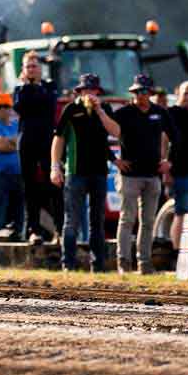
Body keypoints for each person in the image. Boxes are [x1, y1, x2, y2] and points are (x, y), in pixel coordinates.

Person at [52, 73, 120, 271]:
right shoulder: (71, 109)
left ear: (98, 91)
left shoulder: (105, 108)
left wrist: (100, 111)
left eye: (92, 90)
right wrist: (55, 167)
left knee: (96, 220)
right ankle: (68, 265)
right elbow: (58, 139)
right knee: (71, 219)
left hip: (99, 171)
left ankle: (97, 265)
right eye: (85, 90)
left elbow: (116, 132)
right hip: (75, 172)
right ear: (79, 92)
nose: (89, 93)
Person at [111, 74, 176, 274]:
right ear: (133, 93)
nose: (142, 95)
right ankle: (123, 263)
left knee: (148, 222)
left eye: (145, 91)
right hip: (130, 175)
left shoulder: (159, 112)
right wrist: (114, 160)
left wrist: (168, 160)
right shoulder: (124, 113)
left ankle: (144, 263)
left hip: (152, 175)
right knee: (127, 219)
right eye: (138, 91)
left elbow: (175, 136)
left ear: (151, 93)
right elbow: (103, 134)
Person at [12, 50, 61, 243]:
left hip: (47, 141)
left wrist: (36, 91)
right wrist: (28, 87)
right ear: (23, 70)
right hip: (27, 141)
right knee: (30, 187)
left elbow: (49, 105)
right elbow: (20, 106)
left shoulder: (50, 86)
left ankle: (59, 229)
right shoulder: (20, 89)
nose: (31, 70)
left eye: (34, 66)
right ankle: (33, 230)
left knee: (54, 186)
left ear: (40, 69)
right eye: (28, 67)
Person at [0, 92, 24, 239]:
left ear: (11, 108)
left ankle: (17, 239)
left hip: (18, 174)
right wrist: (15, 143)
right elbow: (0, 146)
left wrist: (10, 142)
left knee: (18, 211)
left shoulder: (17, 125)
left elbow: (22, 143)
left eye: (6, 106)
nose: (3, 109)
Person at [168, 80, 188, 248]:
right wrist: (166, 170)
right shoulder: (172, 113)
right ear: (179, 95)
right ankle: (176, 250)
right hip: (179, 171)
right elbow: (163, 140)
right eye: (185, 94)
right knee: (182, 211)